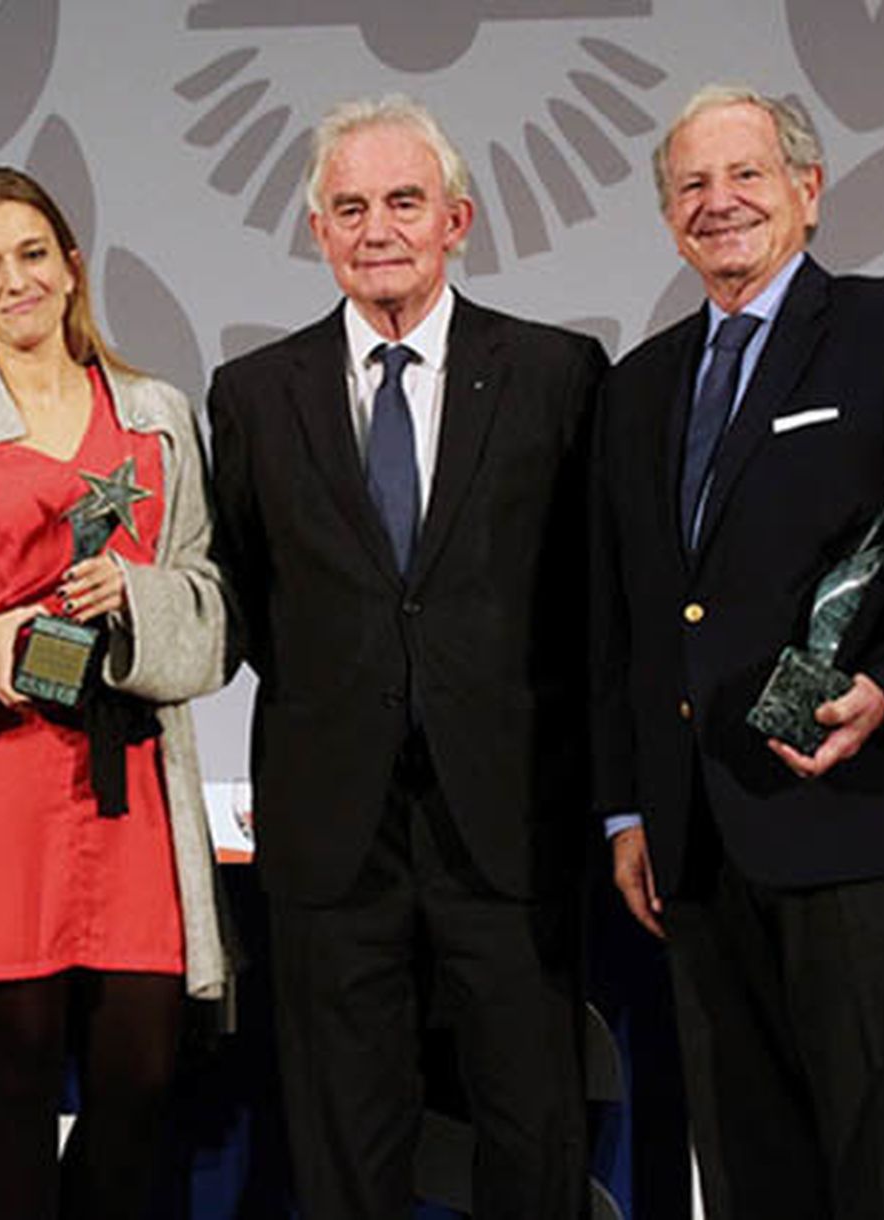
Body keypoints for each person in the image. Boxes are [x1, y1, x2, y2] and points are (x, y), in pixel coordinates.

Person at [591, 84, 884, 1219]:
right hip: (700, 855)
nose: (719, 204)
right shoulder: (640, 384)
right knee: (752, 1180)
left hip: (867, 828)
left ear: (806, 190)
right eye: (691, 186)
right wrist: (628, 809)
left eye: (746, 175)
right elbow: (623, 613)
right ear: (666, 218)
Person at [207, 95, 604, 1219]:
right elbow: (236, 590)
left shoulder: (555, 374)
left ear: (456, 219)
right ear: (318, 232)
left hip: (513, 811)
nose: (375, 228)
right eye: (348, 207)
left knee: (533, 1123)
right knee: (342, 1131)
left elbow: (594, 599)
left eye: (402, 202)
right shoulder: (251, 395)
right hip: (332, 825)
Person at [0, 167, 229, 1220]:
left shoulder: (159, 413)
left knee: (141, 1074)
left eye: (31, 253)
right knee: (12, 1082)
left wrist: (140, 597)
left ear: (72, 268)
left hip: (131, 783)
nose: (12, 279)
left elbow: (211, 597)